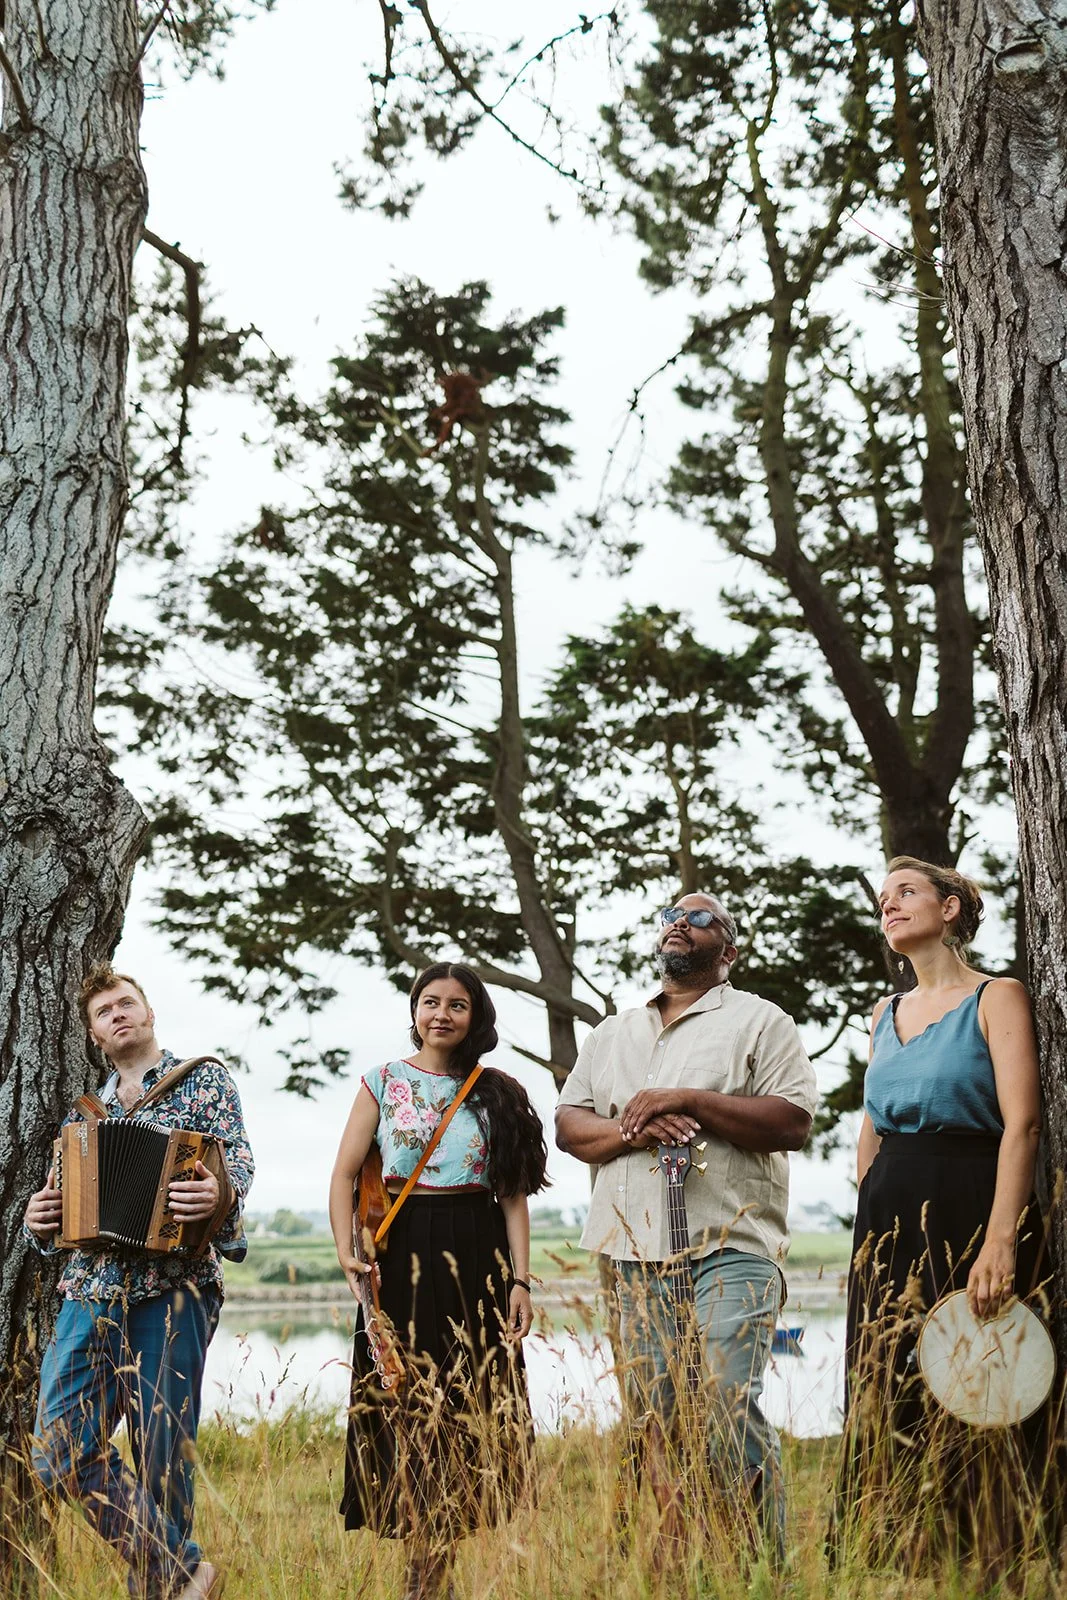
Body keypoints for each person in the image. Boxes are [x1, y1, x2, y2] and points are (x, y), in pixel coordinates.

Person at [555, 893, 817, 1565]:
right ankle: (683, 1564)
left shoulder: (761, 1021)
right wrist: (633, 1127)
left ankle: (760, 1569)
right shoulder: (613, 1031)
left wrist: (690, 1099)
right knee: (656, 1417)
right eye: (673, 912)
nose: (680, 919)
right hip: (629, 1250)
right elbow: (568, 1126)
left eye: (700, 917)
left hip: (728, 1242)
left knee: (728, 1401)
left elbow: (791, 1121)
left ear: (727, 952)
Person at [831, 856, 1054, 1570]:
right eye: (881, 899)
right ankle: (905, 1550)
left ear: (950, 908)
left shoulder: (997, 997)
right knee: (887, 1375)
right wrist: (870, 1210)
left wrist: (999, 1242)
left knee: (981, 1378)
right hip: (889, 1211)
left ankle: (1000, 1552)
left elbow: (1021, 1125)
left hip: (970, 1200)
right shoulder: (881, 1013)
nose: (888, 905)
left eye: (905, 893)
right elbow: (871, 1127)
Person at [23, 964, 254, 1600]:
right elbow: (58, 1206)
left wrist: (216, 1192)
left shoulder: (203, 1080)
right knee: (58, 1450)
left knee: (163, 1453)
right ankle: (183, 1571)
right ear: (95, 1035)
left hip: (175, 1287)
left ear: (150, 1013)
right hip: (90, 1290)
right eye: (105, 1012)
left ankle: (161, 1591)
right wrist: (37, 1220)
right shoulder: (84, 1118)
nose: (119, 1014)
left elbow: (234, 1160)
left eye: (127, 1003)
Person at [330, 962, 548, 1600]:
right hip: (398, 1252)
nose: (442, 1014)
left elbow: (513, 1197)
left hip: (476, 1254)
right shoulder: (382, 1081)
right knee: (402, 1397)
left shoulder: (497, 1091)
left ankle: (438, 1563)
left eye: (457, 1004)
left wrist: (521, 1281)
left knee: (466, 1402)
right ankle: (421, 1563)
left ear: (476, 1016)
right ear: (414, 1010)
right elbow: (344, 1174)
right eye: (431, 1002)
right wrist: (348, 1253)